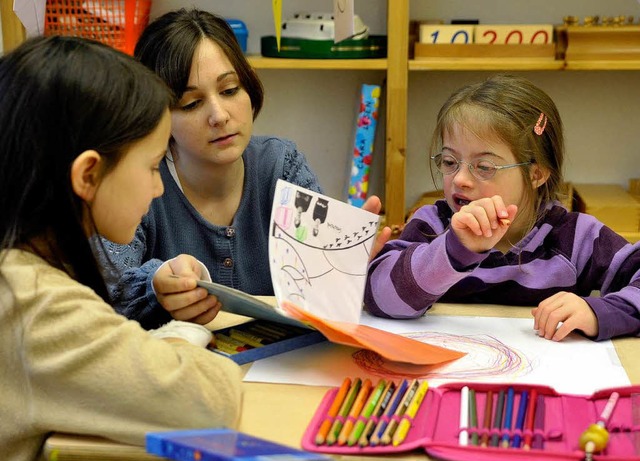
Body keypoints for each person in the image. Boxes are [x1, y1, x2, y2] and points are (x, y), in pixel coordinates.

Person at [0, 35, 243, 461]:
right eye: (152, 167)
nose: (156, 187)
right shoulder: (31, 301)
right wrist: (178, 338)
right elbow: (210, 402)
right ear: (89, 174)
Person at [102, 7, 389, 331]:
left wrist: (347, 269)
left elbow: (321, 291)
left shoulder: (283, 165)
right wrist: (156, 285)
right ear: (159, 116)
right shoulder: (143, 183)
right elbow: (107, 292)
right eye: (191, 103)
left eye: (229, 90)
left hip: (282, 371)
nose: (219, 115)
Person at [364, 74, 640, 342]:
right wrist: (455, 251)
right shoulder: (433, 225)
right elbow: (380, 298)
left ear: (536, 174)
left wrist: (596, 312)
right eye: (449, 162)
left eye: (484, 167)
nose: (459, 179)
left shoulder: (575, 237)